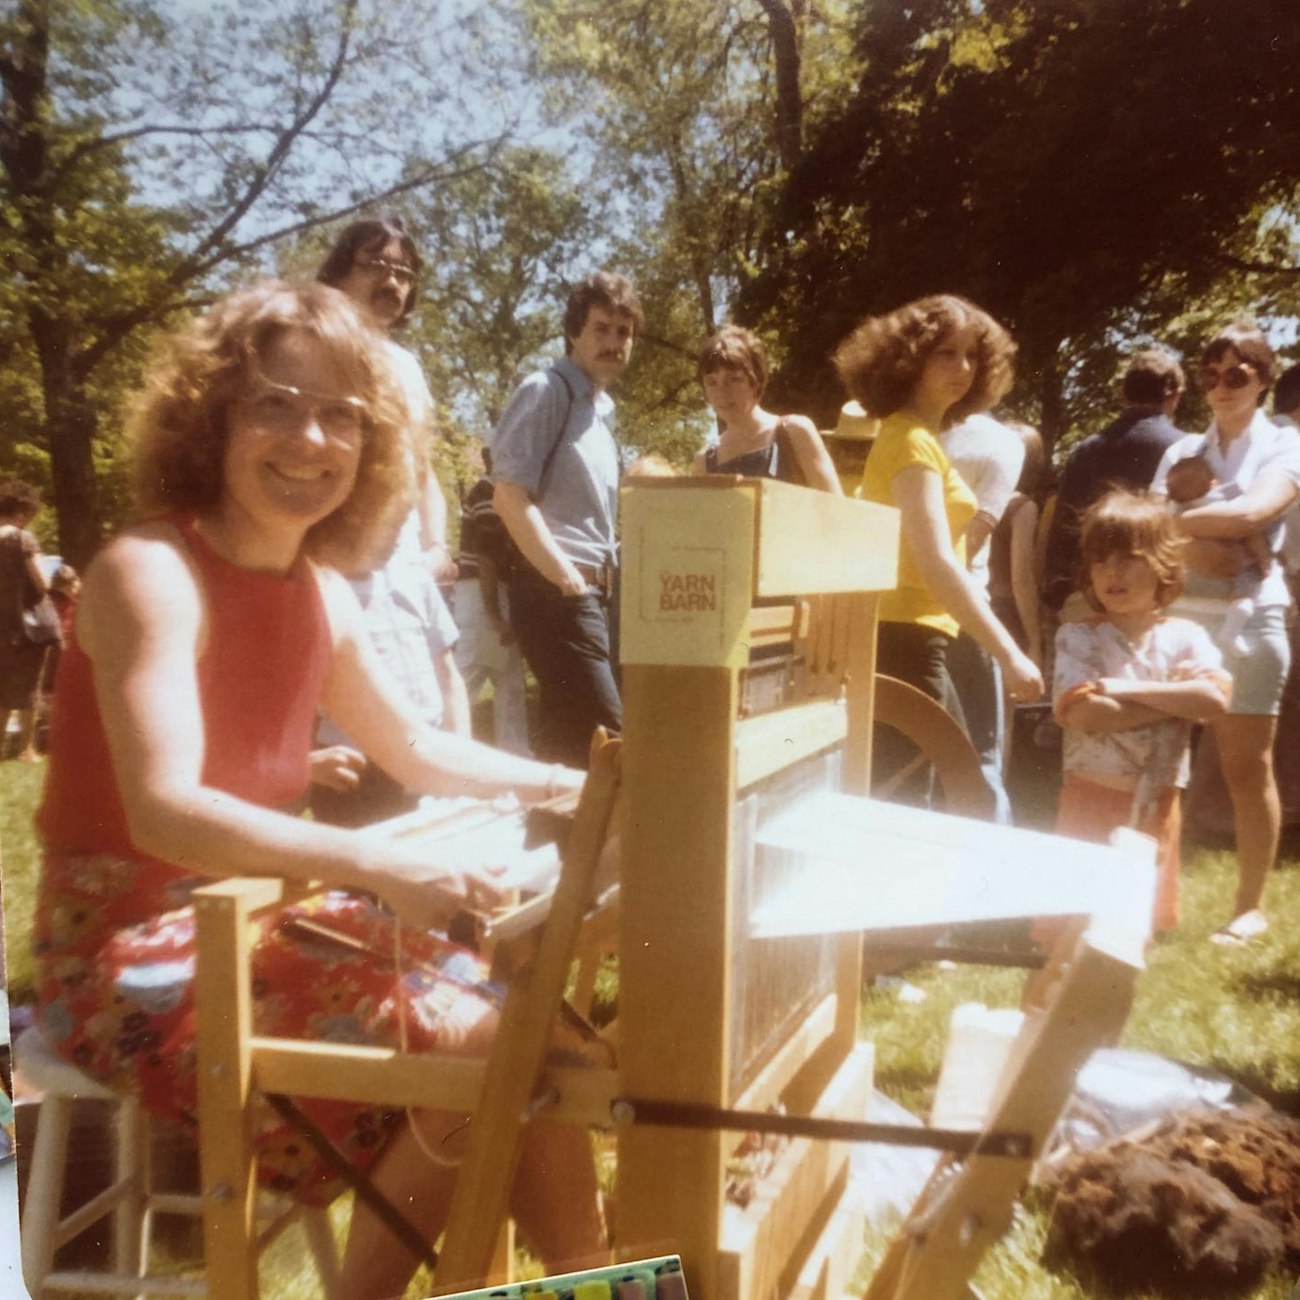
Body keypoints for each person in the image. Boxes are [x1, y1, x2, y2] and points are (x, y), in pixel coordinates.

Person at [32, 283, 605, 1299]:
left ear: (372, 443)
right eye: (274, 404)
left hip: (254, 924)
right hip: (124, 958)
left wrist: (584, 779)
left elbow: (419, 746)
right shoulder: (147, 570)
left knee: (539, 1035)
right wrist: (381, 861)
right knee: (483, 1047)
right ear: (210, 418)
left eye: (342, 413)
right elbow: (166, 808)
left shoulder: (320, 590)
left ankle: (591, 1282)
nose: (312, 439)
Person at [833, 295, 1043, 802]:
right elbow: (936, 563)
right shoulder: (910, 440)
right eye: (945, 353)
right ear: (910, 358)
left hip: (918, 638)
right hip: (903, 641)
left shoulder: (920, 437)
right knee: (906, 802)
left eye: (972, 354)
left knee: (929, 791)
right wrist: (1010, 654)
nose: (964, 367)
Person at [1150, 323, 1300, 944]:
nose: (1220, 386)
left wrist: (1179, 527)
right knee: (1151, 761)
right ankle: (1145, 898)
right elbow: (1140, 524)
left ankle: (1248, 907)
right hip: (1178, 617)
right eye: (1209, 374)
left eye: (1236, 373)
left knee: (1245, 767)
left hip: (1249, 617)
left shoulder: (1286, 445)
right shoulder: (1183, 451)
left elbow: (1255, 512)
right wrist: (1197, 540)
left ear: (1263, 379)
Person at [1053, 491, 1231, 933]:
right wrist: (1174, 699)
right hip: (1090, 802)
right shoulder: (1078, 639)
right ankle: (1043, 1005)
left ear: (1163, 566)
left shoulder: (1187, 637)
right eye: (1100, 561)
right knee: (1071, 933)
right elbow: (1087, 716)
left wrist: (1128, 689)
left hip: (1158, 806)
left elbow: (1214, 701)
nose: (1112, 573)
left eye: (1129, 559)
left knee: (1130, 935)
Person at [492, 272, 641, 769]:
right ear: (574, 333)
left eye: (624, 332)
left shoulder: (601, 414)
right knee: (613, 740)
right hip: (557, 591)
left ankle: (559, 845)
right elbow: (509, 497)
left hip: (593, 592)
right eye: (601, 328)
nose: (614, 342)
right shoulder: (546, 389)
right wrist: (569, 580)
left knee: (570, 747)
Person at [316, 215, 454, 583]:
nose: (392, 282)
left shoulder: (407, 366)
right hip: (331, 573)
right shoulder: (315, 353)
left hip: (405, 573)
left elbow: (422, 469)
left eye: (404, 273)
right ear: (338, 275)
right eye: (375, 266)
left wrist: (437, 548)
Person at [1044, 348, 1186, 617]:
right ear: (1175, 394)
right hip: (1155, 604)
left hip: (1089, 596)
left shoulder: (1085, 450)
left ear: (1123, 394)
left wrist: (1058, 593)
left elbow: (1062, 531)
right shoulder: (1185, 449)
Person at [939, 411, 1026, 823]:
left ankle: (993, 868)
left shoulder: (1001, 442)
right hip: (896, 617)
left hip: (960, 616)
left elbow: (969, 544)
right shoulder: (894, 426)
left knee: (977, 762)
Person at [692, 325, 841, 493]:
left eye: (734, 379)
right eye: (712, 382)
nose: (722, 392)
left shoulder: (793, 432)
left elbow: (837, 509)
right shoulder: (704, 462)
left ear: (756, 381)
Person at [453, 447, 531, 755]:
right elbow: (486, 560)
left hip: (489, 592)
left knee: (508, 680)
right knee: (469, 675)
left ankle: (516, 755)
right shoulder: (487, 495)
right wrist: (495, 615)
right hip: (481, 593)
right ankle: (433, 749)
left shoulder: (492, 493)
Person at [1164, 454, 1276, 656]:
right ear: (1213, 481)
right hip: (1237, 562)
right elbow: (1251, 530)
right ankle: (1231, 632)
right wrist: (1263, 560)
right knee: (1245, 598)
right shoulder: (1227, 497)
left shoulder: (1175, 509)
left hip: (1195, 585)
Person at [0, 479, 57, 761]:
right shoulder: (22, 540)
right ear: (23, 509)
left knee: (1, 686)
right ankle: (26, 748)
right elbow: (43, 582)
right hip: (29, 625)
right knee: (30, 686)